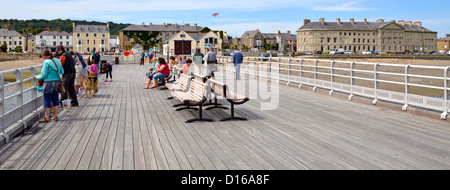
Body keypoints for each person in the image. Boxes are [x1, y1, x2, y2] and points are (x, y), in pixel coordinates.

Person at [33, 50, 64, 122]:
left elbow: (43, 75)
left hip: (48, 83)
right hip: (56, 82)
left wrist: (36, 77)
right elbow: (62, 71)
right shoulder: (57, 60)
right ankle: (55, 116)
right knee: (55, 99)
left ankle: (47, 117)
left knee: (47, 99)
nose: (43, 59)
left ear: (46, 56)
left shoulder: (46, 62)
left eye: (43, 57)